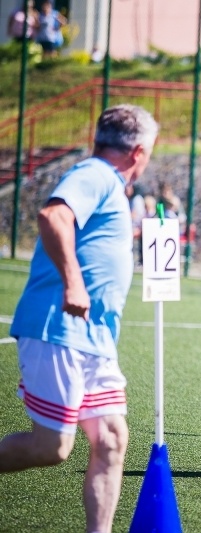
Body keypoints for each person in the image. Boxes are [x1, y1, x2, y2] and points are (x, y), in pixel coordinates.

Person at [0, 104, 158, 533]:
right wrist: (73, 283)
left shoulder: (109, 186)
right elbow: (53, 216)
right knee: (51, 447)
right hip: (60, 327)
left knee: (111, 440)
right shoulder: (96, 175)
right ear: (139, 152)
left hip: (94, 337)